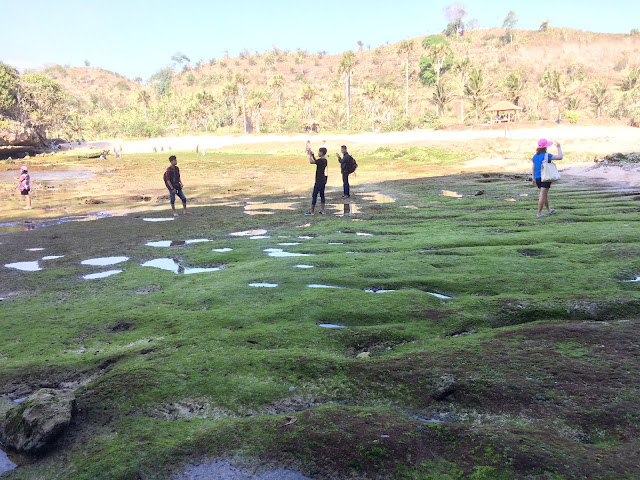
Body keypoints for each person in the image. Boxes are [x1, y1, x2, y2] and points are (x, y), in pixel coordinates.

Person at [531, 139, 563, 218]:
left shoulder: (535, 156)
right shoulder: (547, 155)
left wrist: (533, 178)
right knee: (542, 195)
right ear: (545, 147)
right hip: (545, 177)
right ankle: (539, 213)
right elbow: (560, 157)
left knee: (544, 195)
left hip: (538, 178)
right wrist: (559, 147)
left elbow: (533, 168)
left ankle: (549, 210)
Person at [306, 147, 328, 215]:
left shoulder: (321, 160)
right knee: (322, 195)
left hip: (319, 180)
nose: (318, 153)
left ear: (321, 153)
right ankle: (322, 210)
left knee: (314, 195)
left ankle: (312, 211)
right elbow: (317, 162)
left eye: (319, 152)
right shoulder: (324, 160)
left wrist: (309, 155)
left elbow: (311, 162)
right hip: (323, 179)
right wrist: (313, 156)